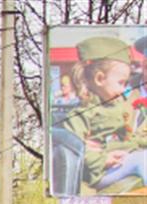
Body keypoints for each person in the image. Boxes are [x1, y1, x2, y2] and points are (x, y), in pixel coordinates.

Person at [59, 36, 147, 193]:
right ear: (99, 79)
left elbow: (128, 138)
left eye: (125, 83)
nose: (122, 90)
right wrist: (102, 158)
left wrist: (130, 147)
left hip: (116, 162)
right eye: (121, 83)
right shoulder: (82, 113)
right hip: (96, 173)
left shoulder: (114, 106)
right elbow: (74, 146)